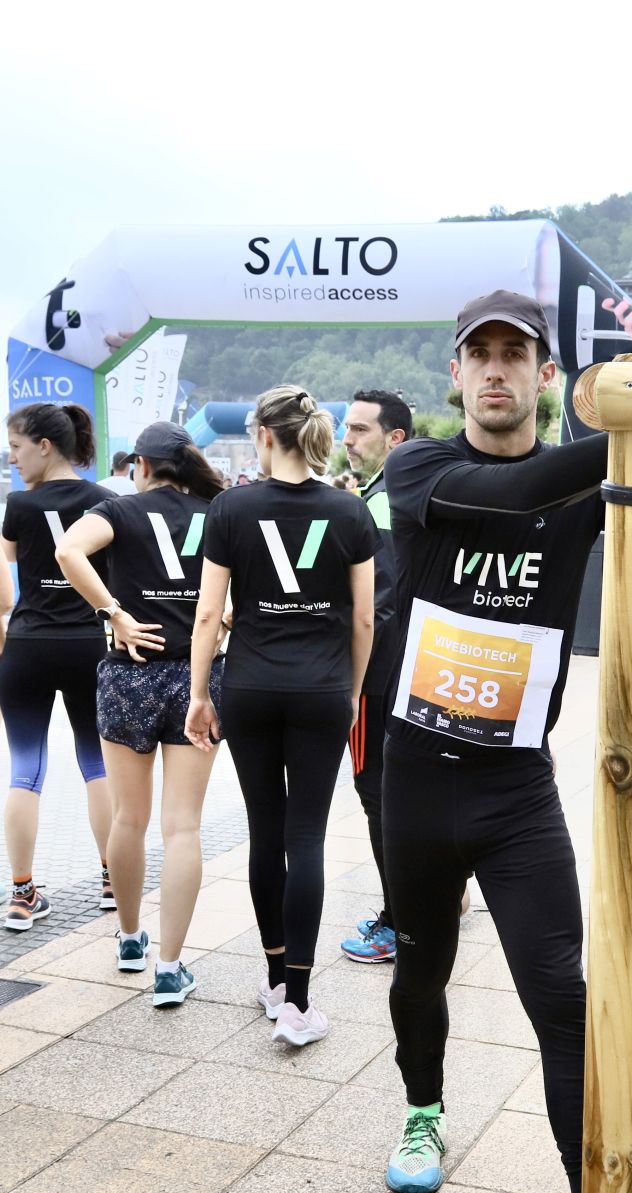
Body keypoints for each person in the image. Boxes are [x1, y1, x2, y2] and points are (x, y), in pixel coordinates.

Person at [379, 289, 621, 1193]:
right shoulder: (421, 466)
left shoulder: (584, 489)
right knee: (420, 972)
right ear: (455, 373)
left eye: (513, 355)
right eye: (477, 354)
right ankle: (423, 1113)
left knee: (562, 995)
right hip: (415, 781)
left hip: (517, 789)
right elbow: (514, 493)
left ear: (545, 375)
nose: (494, 370)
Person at [185, 385, 378, 1047]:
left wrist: (199, 694)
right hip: (321, 689)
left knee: (265, 834)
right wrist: (351, 690)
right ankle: (298, 1003)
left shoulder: (231, 507)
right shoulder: (348, 510)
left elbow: (207, 615)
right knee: (307, 839)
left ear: (264, 435)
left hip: (250, 687)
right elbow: (363, 618)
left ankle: (273, 982)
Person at [55, 421, 225, 1005]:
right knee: (183, 826)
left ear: (142, 466)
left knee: (129, 816)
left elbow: (67, 550)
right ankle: (170, 968)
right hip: (197, 676)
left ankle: (130, 940)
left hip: (129, 673)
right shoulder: (216, 512)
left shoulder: (118, 510)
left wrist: (114, 614)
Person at [1, 403, 113, 931]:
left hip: (27, 645)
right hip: (88, 645)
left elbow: (6, 580)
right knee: (98, 764)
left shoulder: (19, 504)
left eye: (16, 448)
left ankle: (22, 894)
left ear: (44, 446)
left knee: (25, 769)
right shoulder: (104, 501)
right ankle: (113, 879)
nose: (13, 459)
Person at [338, 390, 412, 963]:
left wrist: (355, 682)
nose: (347, 439)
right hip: (416, 670)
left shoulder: (382, 501)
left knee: (378, 796)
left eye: (360, 429)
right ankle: (434, 904)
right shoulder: (401, 492)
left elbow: (378, 605)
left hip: (380, 677)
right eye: (346, 428)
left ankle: (400, 922)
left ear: (395, 438)